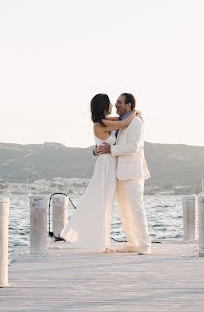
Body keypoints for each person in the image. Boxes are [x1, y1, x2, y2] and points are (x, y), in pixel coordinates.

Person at [59, 94, 139, 253]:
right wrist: (135, 111)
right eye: (109, 104)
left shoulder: (106, 121)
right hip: (106, 165)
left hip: (109, 163)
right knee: (103, 203)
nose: (112, 106)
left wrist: (132, 113)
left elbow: (122, 119)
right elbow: (123, 122)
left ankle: (103, 243)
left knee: (106, 203)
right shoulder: (100, 123)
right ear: (103, 106)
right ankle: (102, 244)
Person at [94, 93, 152, 255]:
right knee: (124, 210)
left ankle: (145, 244)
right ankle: (132, 243)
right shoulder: (121, 121)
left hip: (132, 171)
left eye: (119, 102)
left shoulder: (136, 122)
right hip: (119, 172)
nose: (116, 104)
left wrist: (111, 150)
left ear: (128, 105)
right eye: (116, 102)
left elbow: (133, 146)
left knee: (136, 208)